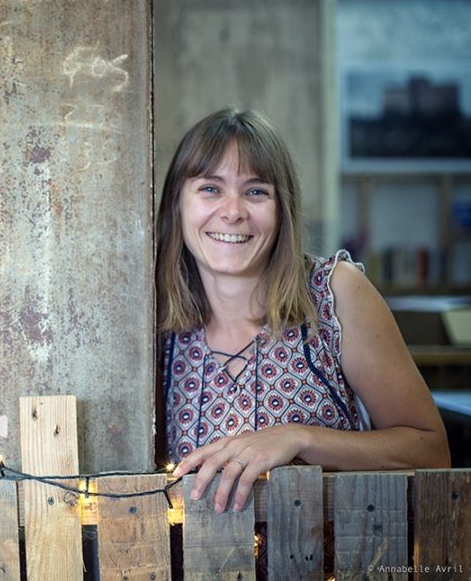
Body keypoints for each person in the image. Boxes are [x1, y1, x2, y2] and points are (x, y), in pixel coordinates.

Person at [156, 108, 449, 514]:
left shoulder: (335, 292)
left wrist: (299, 438)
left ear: (283, 210)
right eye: (210, 188)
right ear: (177, 203)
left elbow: (431, 451)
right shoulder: (154, 324)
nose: (233, 210)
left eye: (256, 191)